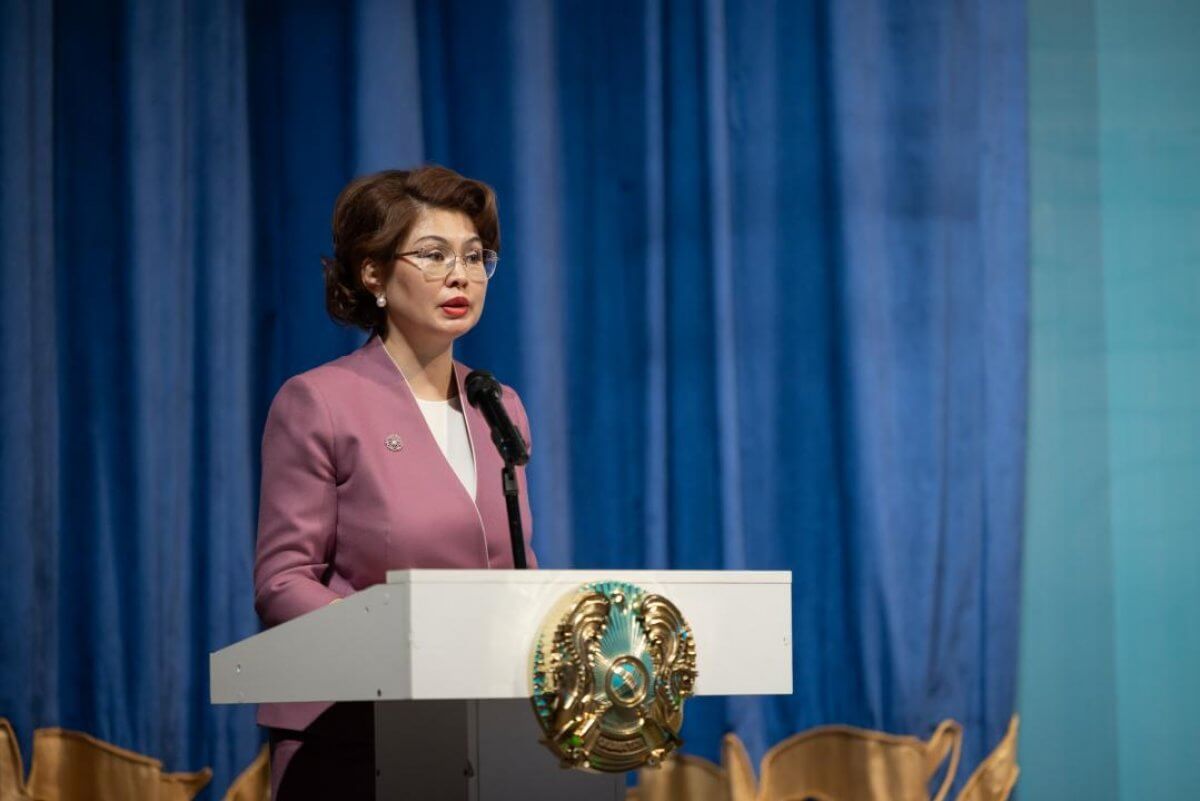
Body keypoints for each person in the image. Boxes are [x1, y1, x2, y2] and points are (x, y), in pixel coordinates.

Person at [253, 165, 537, 799]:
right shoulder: (320, 402)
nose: (460, 275)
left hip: (480, 732)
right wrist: (398, 644)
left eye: (474, 256)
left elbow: (515, 566)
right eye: (433, 255)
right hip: (351, 733)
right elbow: (282, 582)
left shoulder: (499, 406)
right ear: (373, 274)